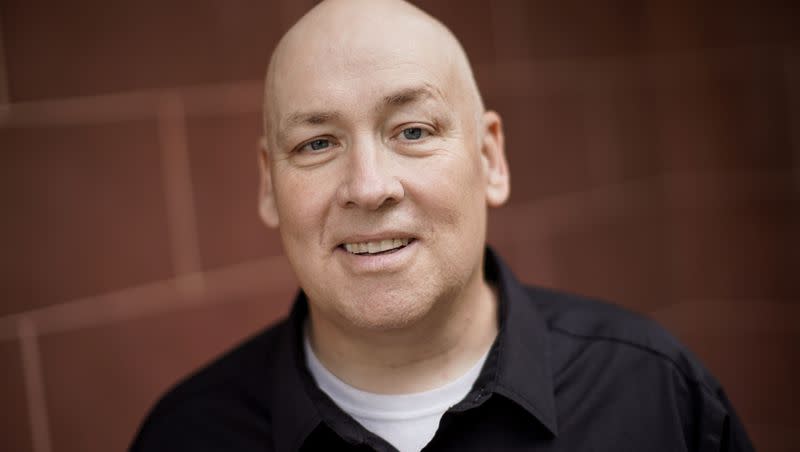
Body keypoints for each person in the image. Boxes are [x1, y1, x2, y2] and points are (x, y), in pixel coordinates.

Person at [131, 0, 755, 451]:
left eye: (412, 132)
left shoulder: (653, 395)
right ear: (270, 185)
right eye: (318, 144)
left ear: (490, 159)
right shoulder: (187, 435)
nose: (369, 187)